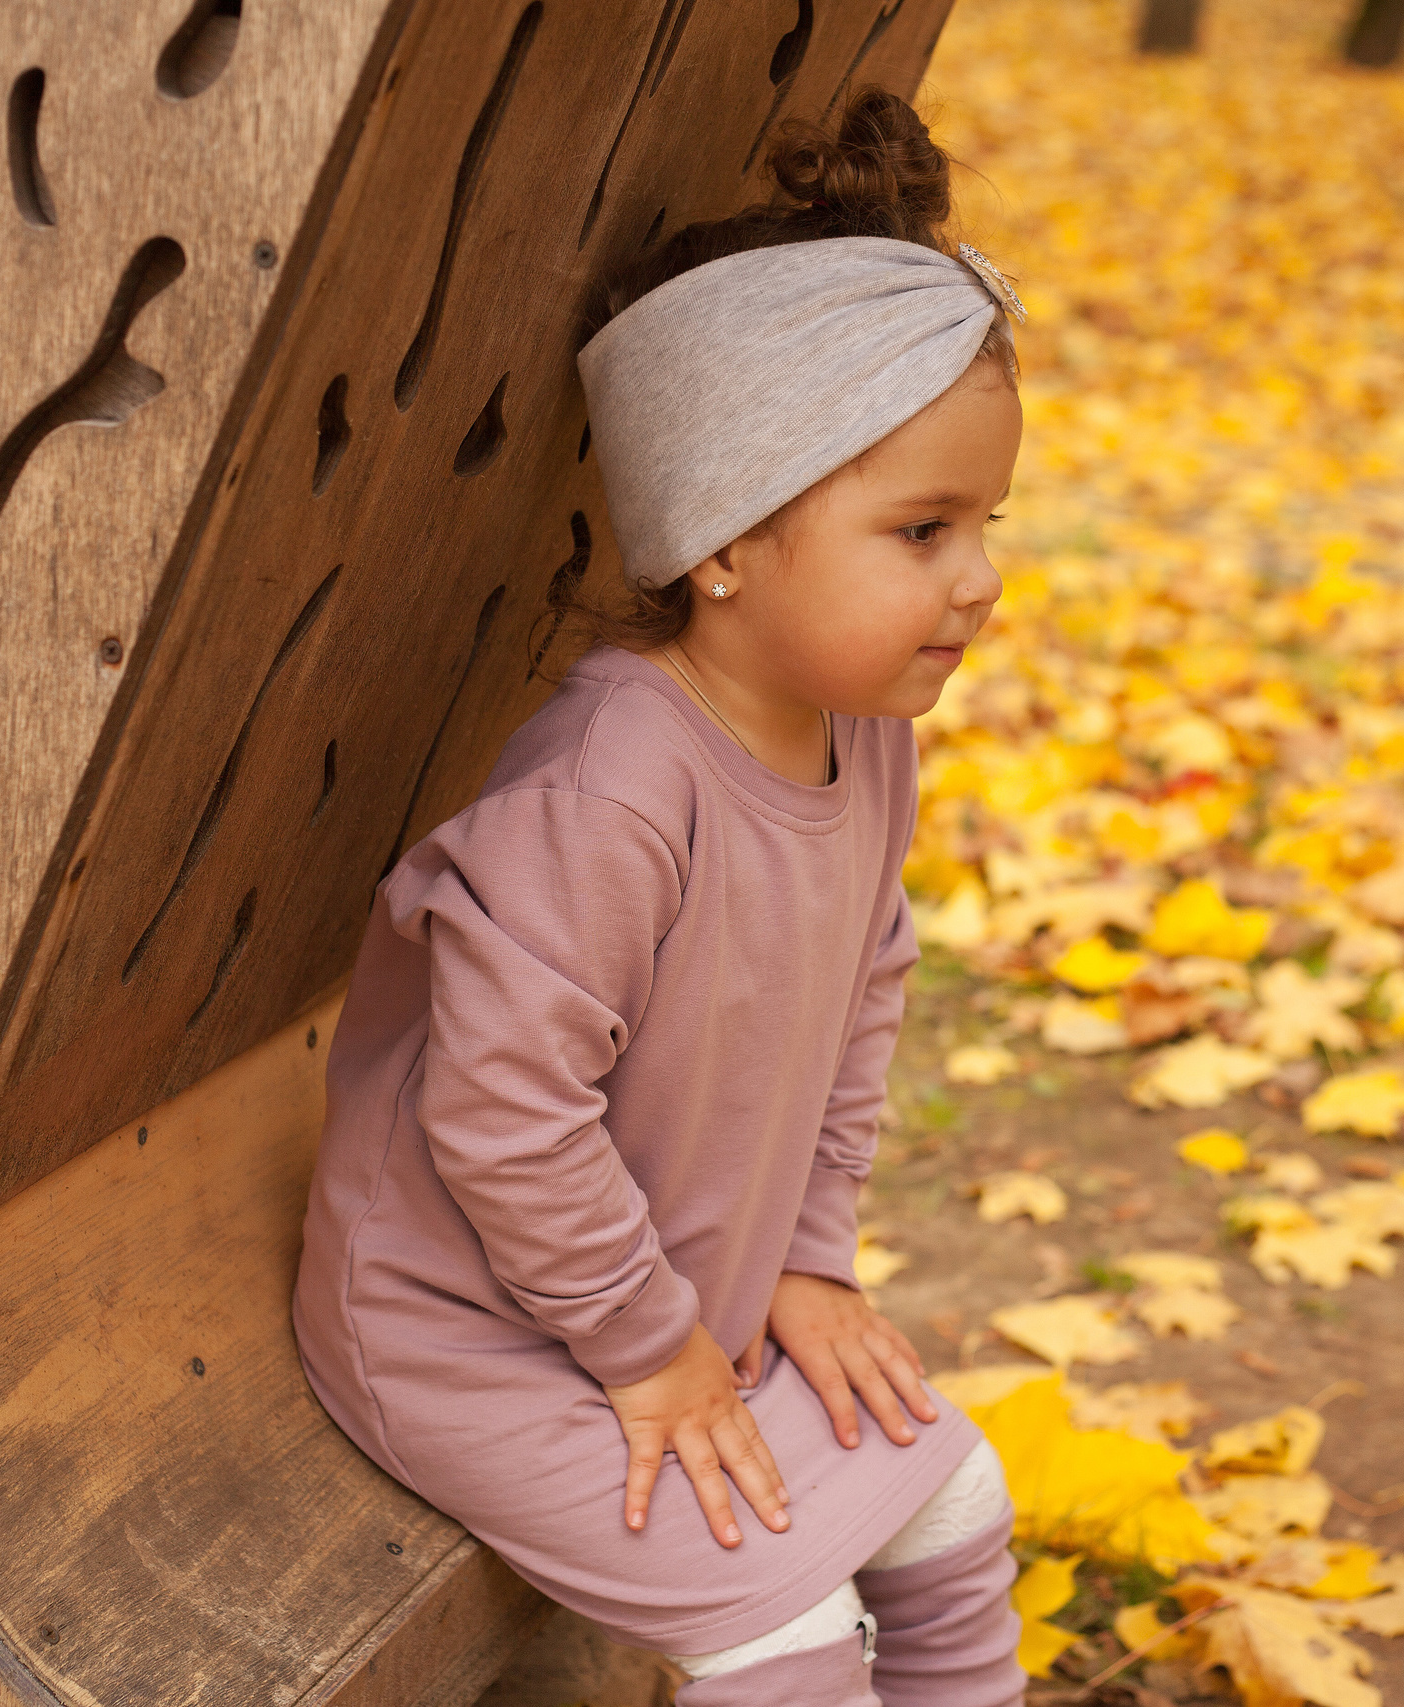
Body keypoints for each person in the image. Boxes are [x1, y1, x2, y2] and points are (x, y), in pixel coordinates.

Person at [292, 89, 1028, 1706]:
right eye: (923, 531)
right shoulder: (610, 796)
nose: (978, 579)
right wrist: (647, 1343)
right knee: (783, 1638)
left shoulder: (862, 736)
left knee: (956, 1500)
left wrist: (809, 1261)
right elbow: (500, 1112)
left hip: (675, 1295)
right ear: (725, 540)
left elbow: (863, 992)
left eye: (988, 524)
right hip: (469, 1333)